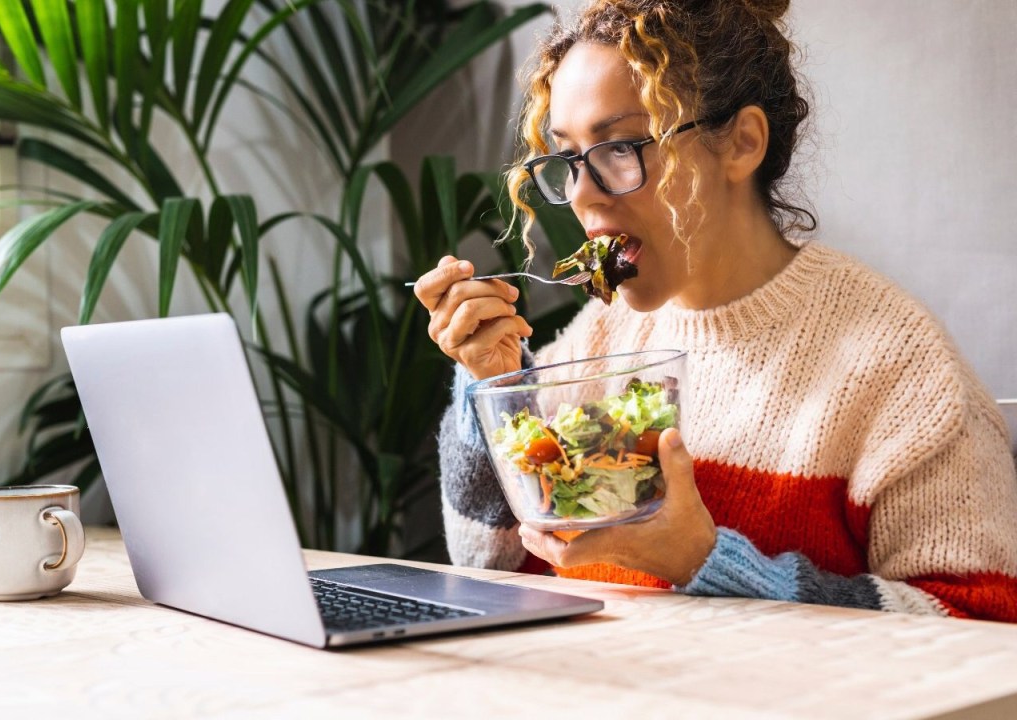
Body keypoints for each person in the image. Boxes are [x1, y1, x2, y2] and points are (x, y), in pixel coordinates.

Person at [413, 0, 1017, 620]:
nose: (581, 194)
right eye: (566, 157)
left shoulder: (898, 362)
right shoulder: (599, 338)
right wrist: (492, 383)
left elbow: (985, 628)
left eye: (620, 147)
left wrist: (706, 561)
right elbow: (489, 570)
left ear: (742, 143)